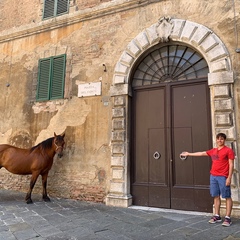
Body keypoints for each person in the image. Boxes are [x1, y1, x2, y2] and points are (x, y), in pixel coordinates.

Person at [180, 133, 235, 227]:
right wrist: (189, 154)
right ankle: (217, 216)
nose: (219, 140)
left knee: (227, 196)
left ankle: (228, 218)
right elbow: (202, 153)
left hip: (223, 176)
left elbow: (231, 164)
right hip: (213, 176)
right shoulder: (213, 151)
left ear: (224, 140)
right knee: (215, 196)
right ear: (216, 140)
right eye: (218, 139)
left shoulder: (228, 151)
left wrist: (229, 177)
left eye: (221, 139)